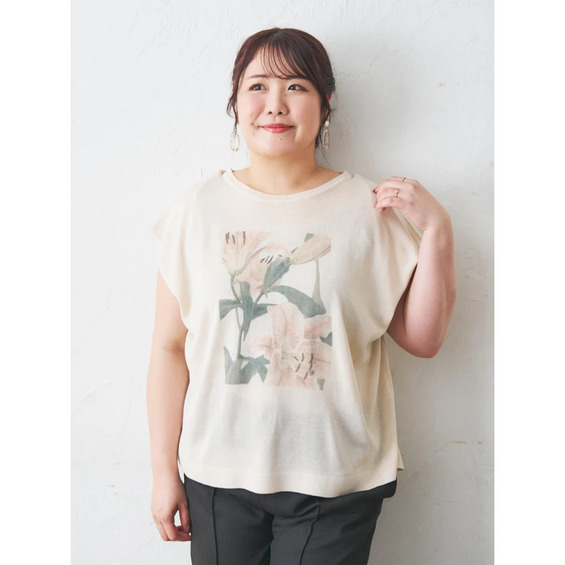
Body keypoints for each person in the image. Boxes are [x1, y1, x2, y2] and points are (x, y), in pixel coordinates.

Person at [146, 27, 455, 565]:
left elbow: (423, 339)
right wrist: (161, 472)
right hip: (217, 475)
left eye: (296, 86)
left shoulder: (368, 209)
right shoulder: (196, 211)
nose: (275, 104)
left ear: (325, 103)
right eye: (257, 86)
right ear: (235, 103)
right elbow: (169, 349)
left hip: (336, 480)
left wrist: (437, 232)